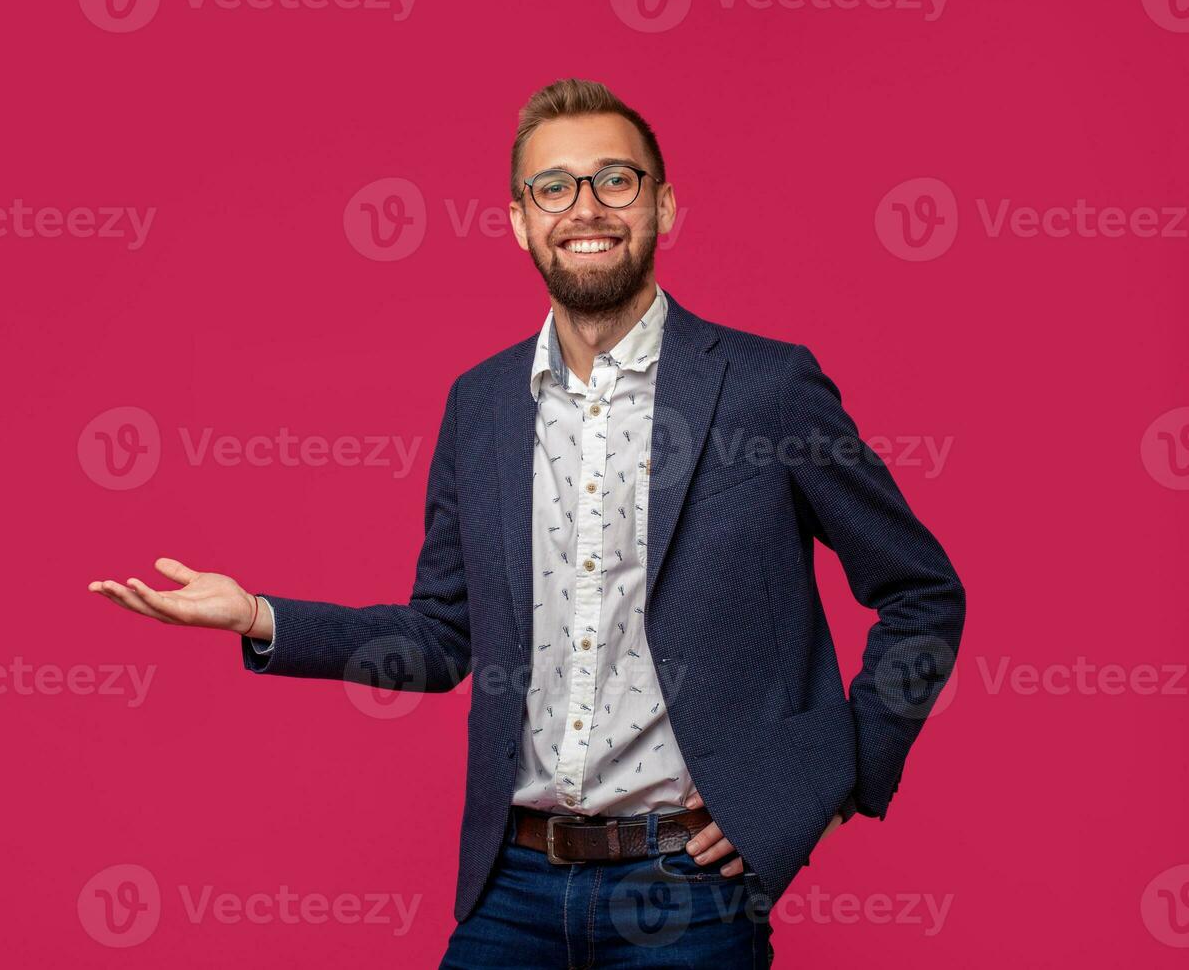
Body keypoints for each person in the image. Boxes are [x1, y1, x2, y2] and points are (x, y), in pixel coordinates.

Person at [88, 78, 966, 968]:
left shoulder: (767, 388)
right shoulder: (480, 405)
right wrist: (261, 618)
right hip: (511, 883)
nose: (585, 208)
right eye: (554, 187)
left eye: (615, 181)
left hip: (689, 896)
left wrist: (824, 783)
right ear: (517, 220)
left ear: (662, 204)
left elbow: (922, 593)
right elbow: (440, 637)